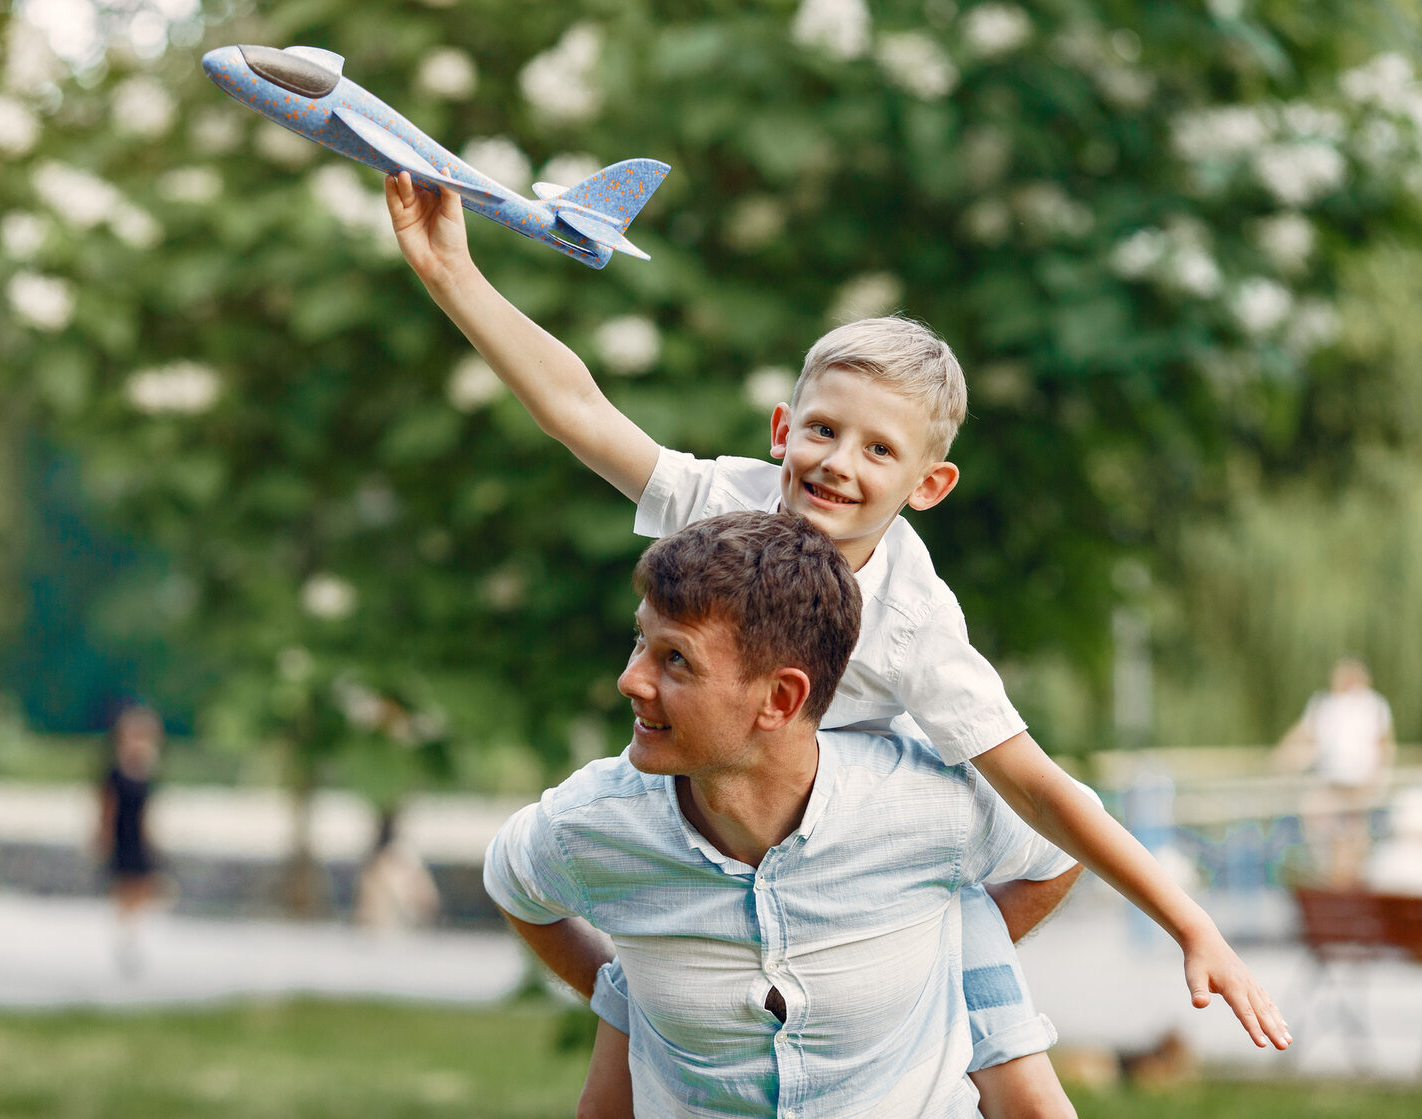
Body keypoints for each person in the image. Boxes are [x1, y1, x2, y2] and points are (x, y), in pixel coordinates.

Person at [386, 174, 1289, 1114]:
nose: (837, 463)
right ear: (783, 431)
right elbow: (578, 408)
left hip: (856, 843)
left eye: (878, 450)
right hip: (707, 799)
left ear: (928, 485)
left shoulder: (912, 621)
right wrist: (452, 270)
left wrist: (1191, 923)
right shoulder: (721, 505)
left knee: (1003, 1035)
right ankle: (640, 1000)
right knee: (637, 1035)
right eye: (822, 429)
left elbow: (1039, 788)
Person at [487, 512, 1088, 1116]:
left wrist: (938, 950)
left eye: (677, 660)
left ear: (780, 699)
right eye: (641, 640)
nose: (630, 680)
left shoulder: (927, 800)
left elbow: (1068, 844)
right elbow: (513, 885)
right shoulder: (591, 825)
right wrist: (626, 999)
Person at [1275, 656, 1396, 886]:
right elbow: (1306, 735)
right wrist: (1284, 758)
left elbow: (1383, 743)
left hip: (1359, 783)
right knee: (1322, 824)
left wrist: (1378, 777)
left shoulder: (1373, 705)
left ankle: (1351, 878)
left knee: (1353, 833)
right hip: (1332, 782)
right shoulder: (1325, 704)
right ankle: (1332, 874)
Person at [96, 703, 164, 975]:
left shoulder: (146, 771)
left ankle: (132, 937)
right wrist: (103, 837)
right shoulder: (115, 772)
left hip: (138, 837)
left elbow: (148, 812)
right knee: (125, 889)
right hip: (122, 836)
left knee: (142, 888)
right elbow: (107, 808)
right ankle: (125, 939)